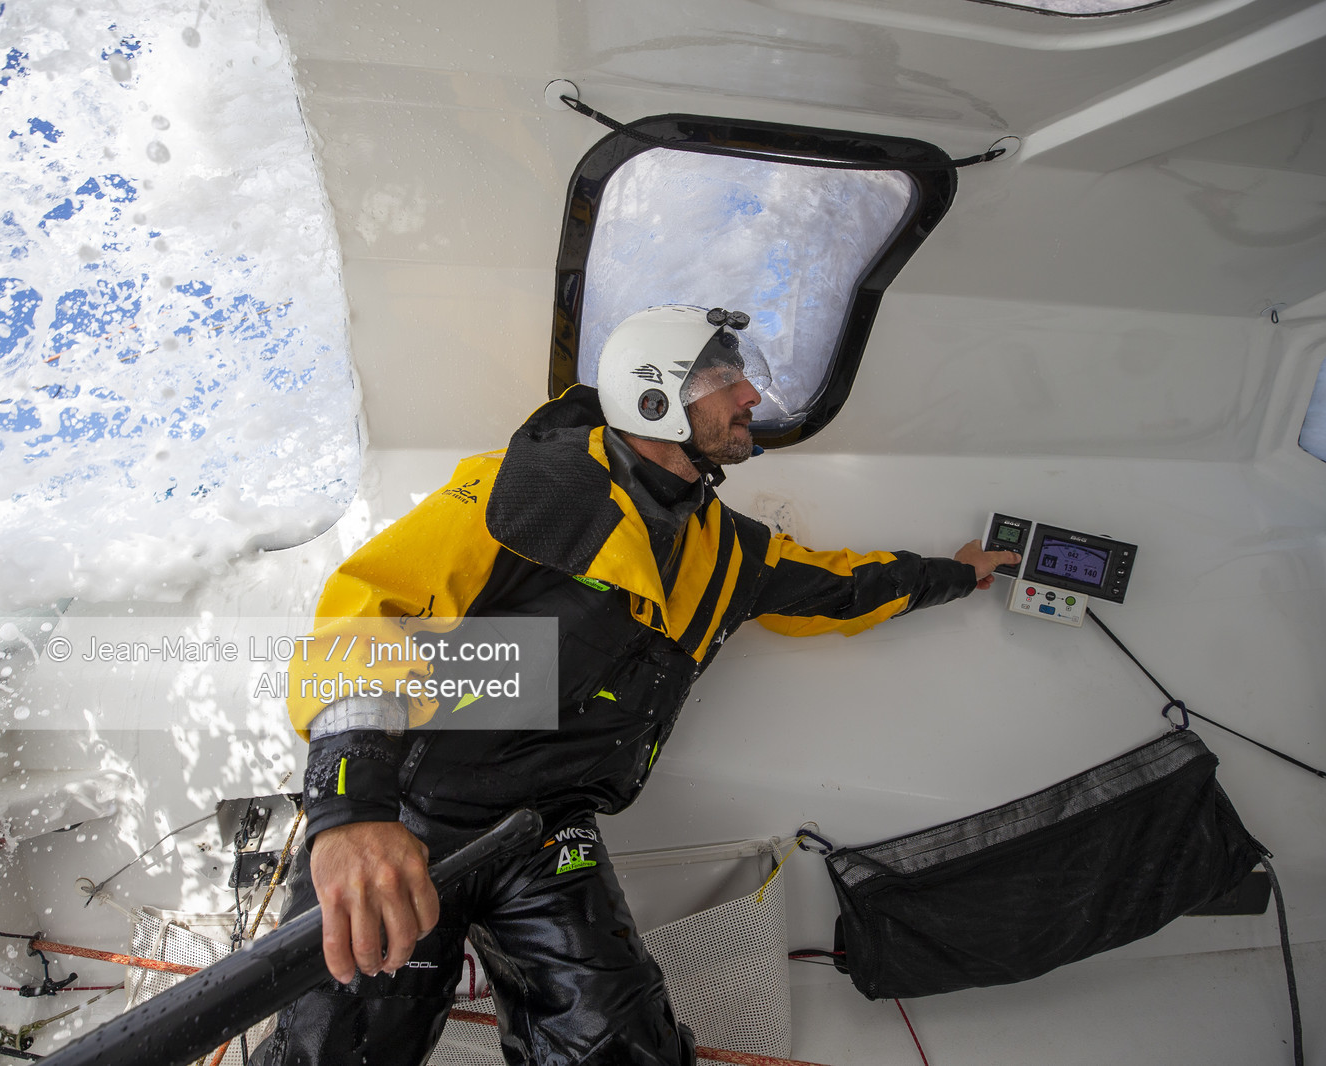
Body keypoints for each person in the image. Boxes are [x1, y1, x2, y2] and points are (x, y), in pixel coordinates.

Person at [256, 304, 1019, 1066]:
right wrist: (351, 813)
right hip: (416, 819)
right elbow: (364, 615)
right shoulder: (529, 489)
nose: (749, 396)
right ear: (654, 398)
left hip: (548, 832)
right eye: (724, 378)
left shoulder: (726, 554)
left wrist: (959, 573)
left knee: (626, 1054)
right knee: (342, 1053)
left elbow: (844, 588)